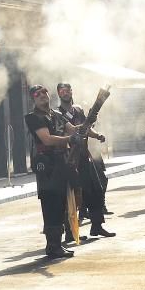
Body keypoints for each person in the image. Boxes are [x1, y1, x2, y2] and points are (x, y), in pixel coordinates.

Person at [25, 85, 88, 257]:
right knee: (51, 204)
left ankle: (57, 244)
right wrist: (70, 138)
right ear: (33, 98)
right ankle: (52, 246)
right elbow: (46, 139)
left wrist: (87, 123)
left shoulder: (56, 114)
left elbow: (74, 129)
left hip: (61, 162)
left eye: (44, 92)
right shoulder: (33, 117)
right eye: (37, 94)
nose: (42, 96)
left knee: (61, 204)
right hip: (47, 165)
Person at [56, 82, 115, 238]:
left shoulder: (78, 109)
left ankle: (97, 225)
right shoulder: (57, 113)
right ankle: (70, 232)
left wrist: (96, 135)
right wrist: (88, 121)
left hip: (83, 154)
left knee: (95, 189)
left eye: (68, 90)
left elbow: (86, 129)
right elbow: (76, 129)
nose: (66, 93)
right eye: (62, 91)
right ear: (58, 93)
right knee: (73, 196)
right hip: (69, 157)